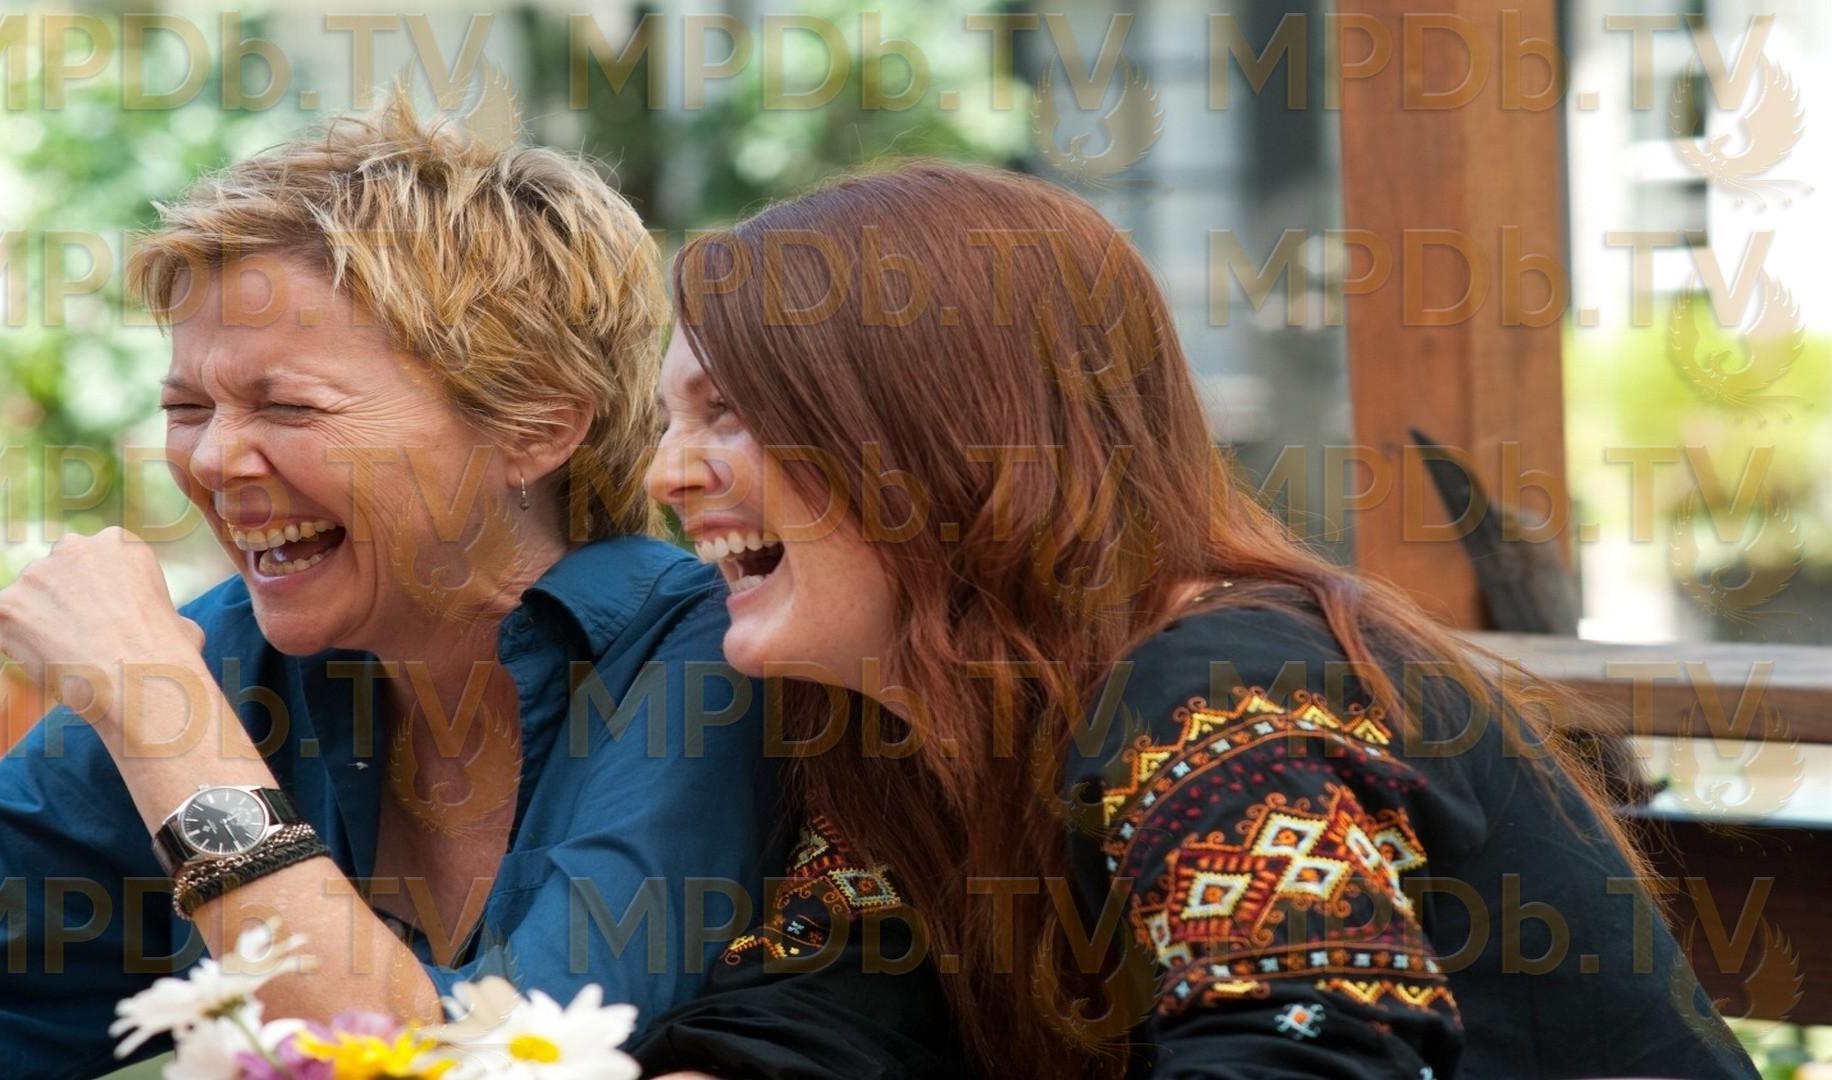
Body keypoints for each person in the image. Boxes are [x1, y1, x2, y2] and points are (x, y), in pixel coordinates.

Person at [631, 163, 1757, 1079]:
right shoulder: (907, 730)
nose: (665, 475)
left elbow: (1304, 1051)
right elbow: (831, 1009)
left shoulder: (1227, 692)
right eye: (671, 420)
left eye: (727, 411)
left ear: (935, 431)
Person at [0, 98, 776, 1078]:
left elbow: (487, 1066)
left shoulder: (708, 662)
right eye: (186, 407)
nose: (214, 458)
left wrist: (155, 708)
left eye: (288, 406)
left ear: (535, 429)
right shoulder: (228, 650)